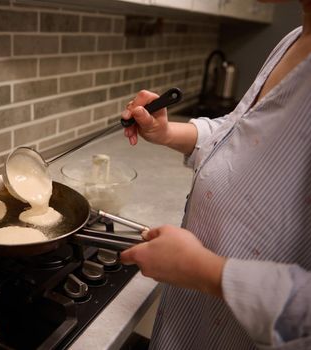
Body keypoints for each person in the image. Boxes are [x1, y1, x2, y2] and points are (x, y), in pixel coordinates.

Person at [119, 0, 311, 349]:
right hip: (197, 315)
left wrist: (205, 271)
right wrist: (167, 134)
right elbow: (239, 131)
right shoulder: (296, 37)